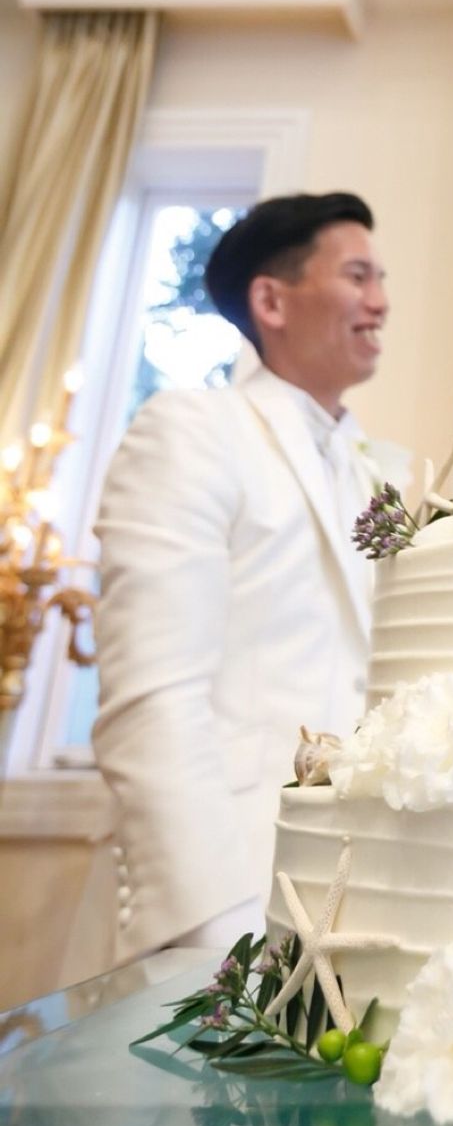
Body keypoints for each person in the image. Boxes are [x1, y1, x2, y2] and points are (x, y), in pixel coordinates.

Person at [93, 192, 402, 963]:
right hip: (235, 892)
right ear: (271, 300)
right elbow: (152, 697)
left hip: (377, 892)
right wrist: (221, 931)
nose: (380, 301)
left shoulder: (386, 473)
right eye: (357, 276)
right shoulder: (194, 430)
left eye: (381, 279)